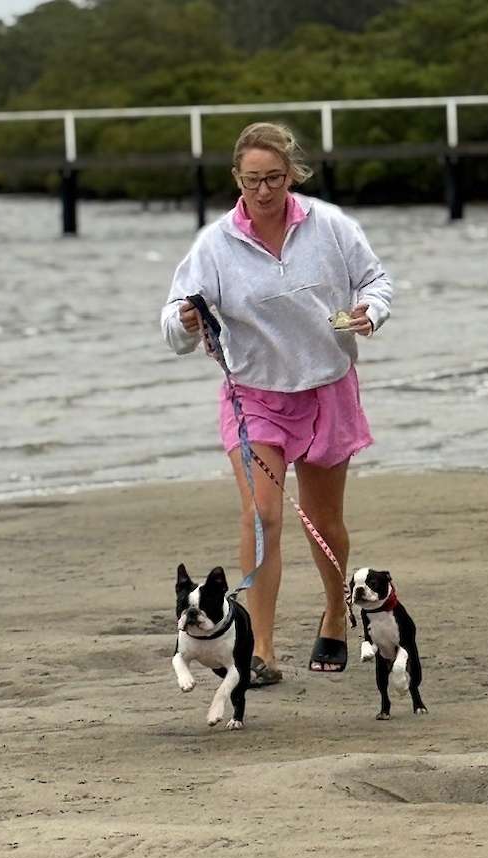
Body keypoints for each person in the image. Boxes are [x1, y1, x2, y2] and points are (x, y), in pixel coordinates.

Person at [160, 121, 392, 686]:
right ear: (236, 179)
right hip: (254, 397)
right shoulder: (214, 245)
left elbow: (376, 281)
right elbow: (172, 322)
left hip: (327, 387)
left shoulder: (330, 225)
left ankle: (336, 613)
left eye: (274, 179)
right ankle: (259, 648)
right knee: (262, 515)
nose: (263, 191)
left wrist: (370, 312)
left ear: (292, 175)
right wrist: (185, 321)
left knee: (322, 521)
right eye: (252, 181)